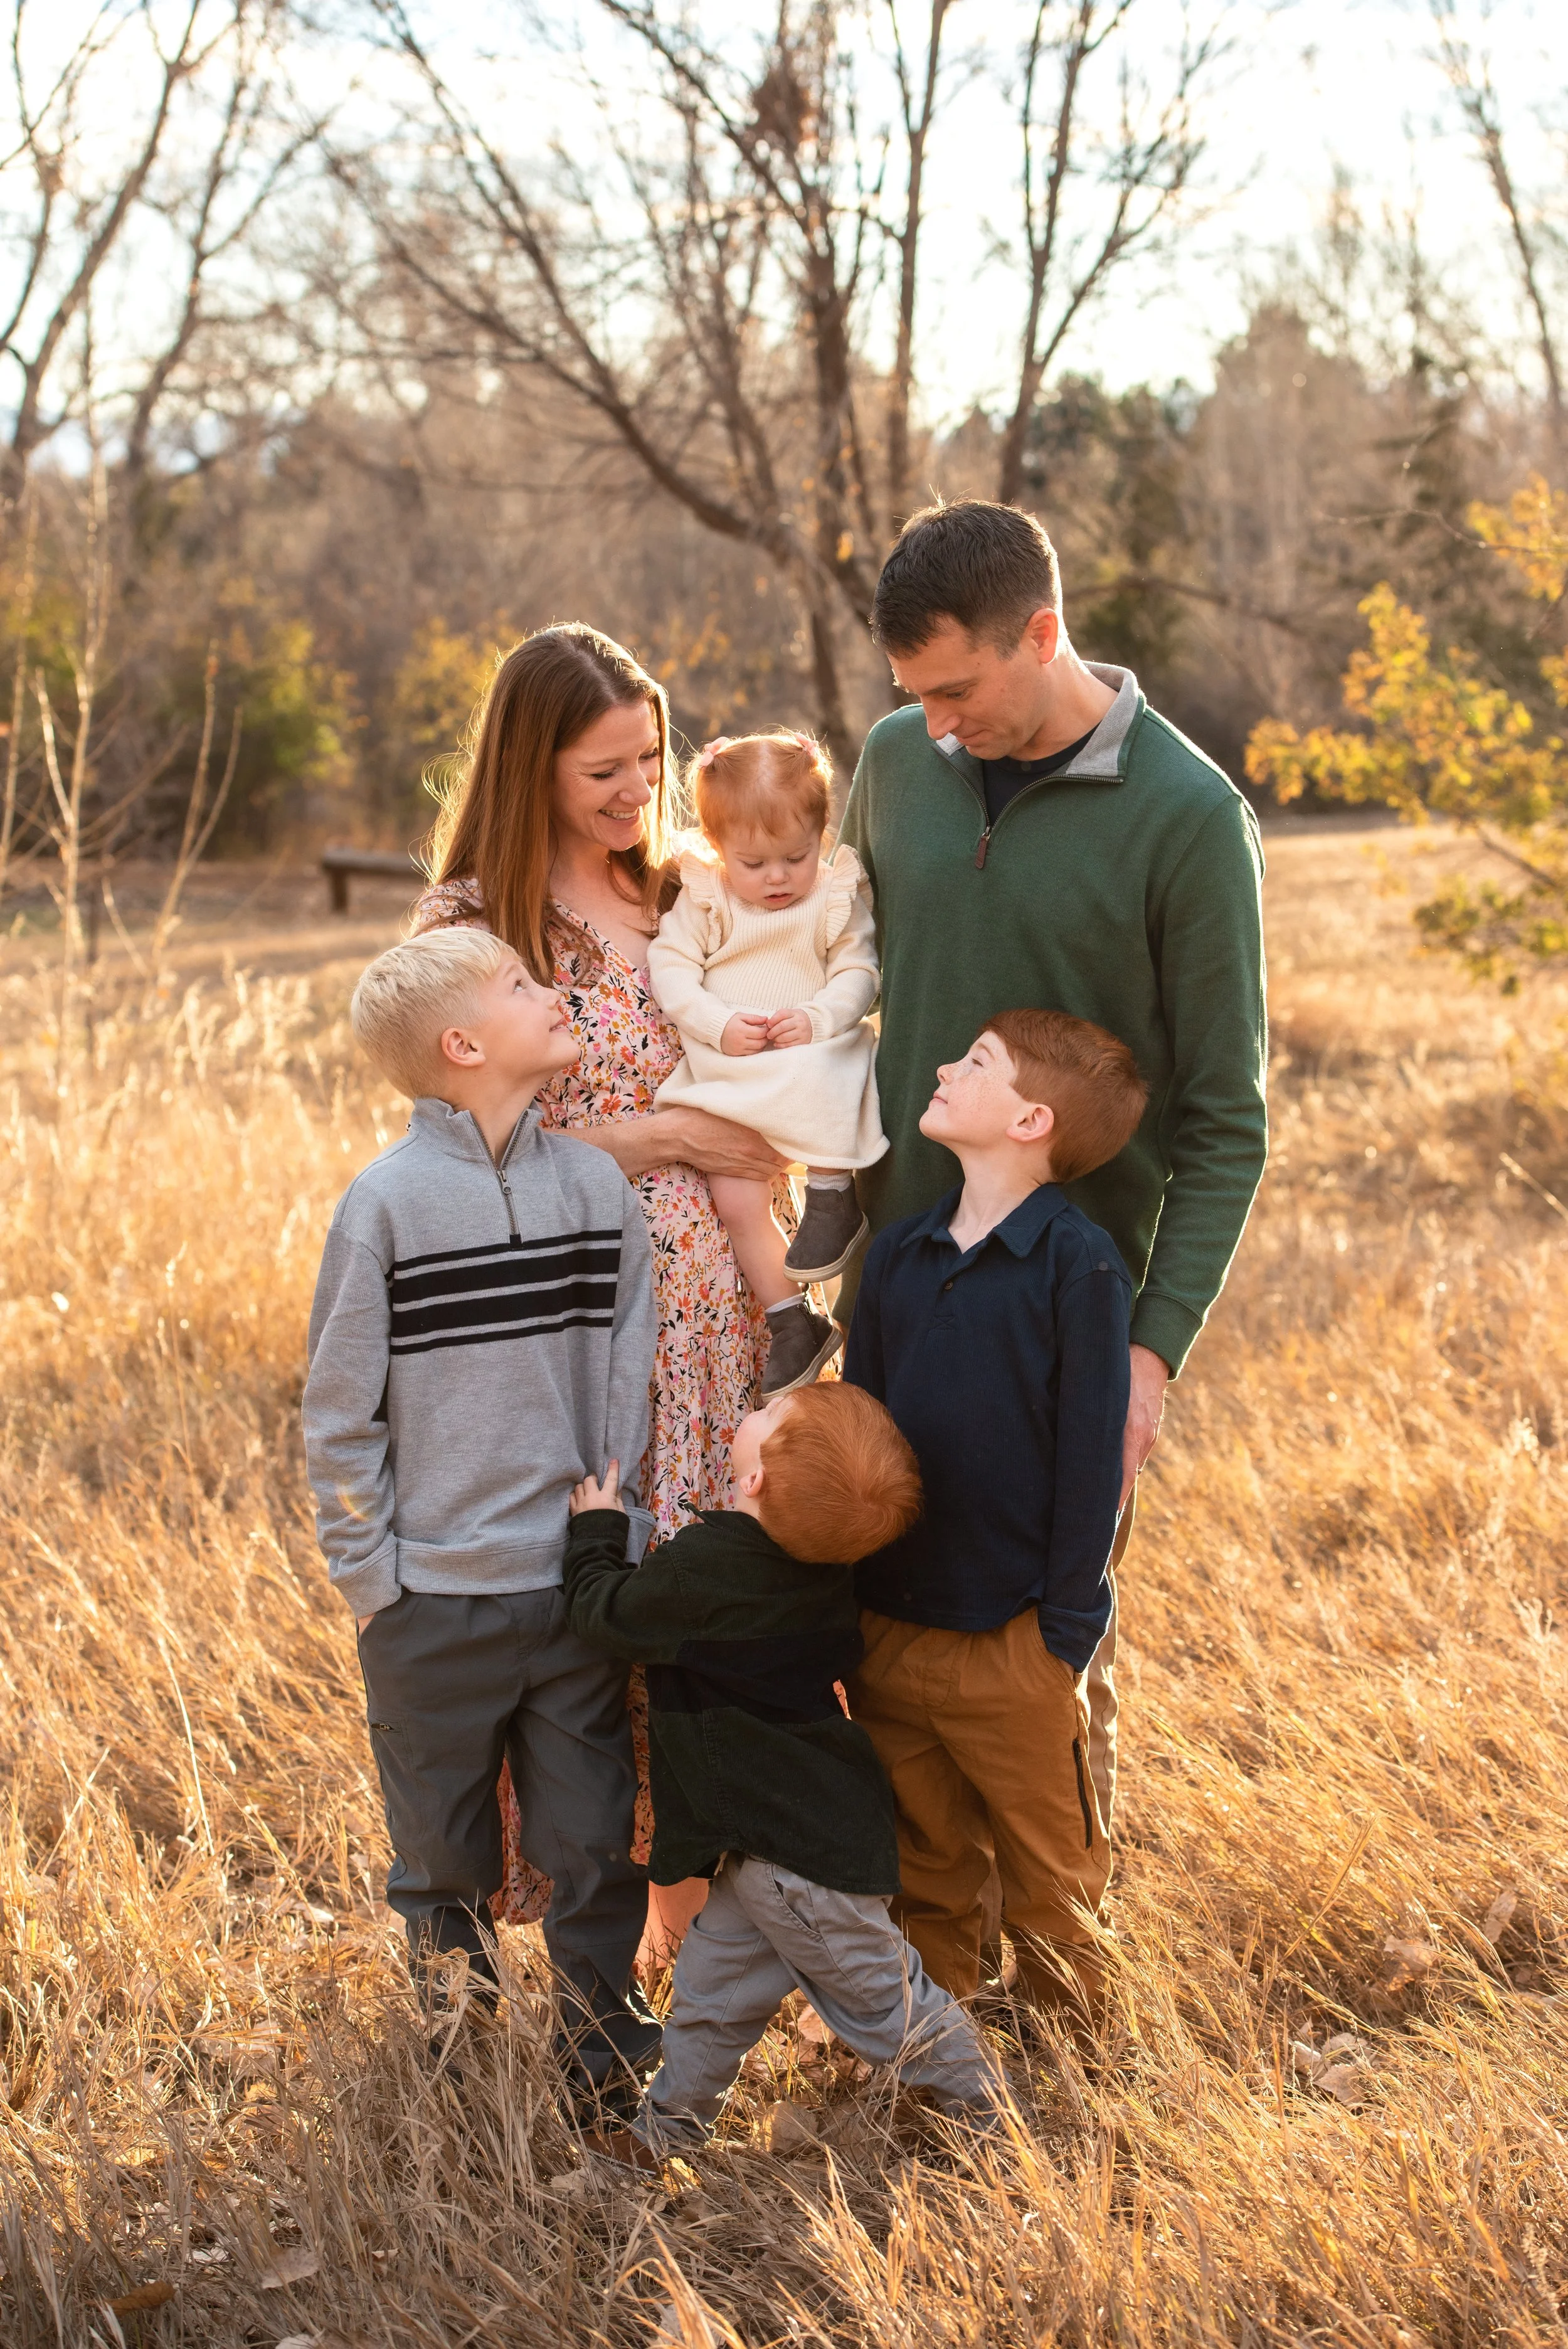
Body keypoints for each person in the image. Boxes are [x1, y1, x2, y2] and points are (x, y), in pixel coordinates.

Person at [840, 497, 1269, 1832]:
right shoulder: (894, 759)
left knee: (1036, 1666)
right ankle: (926, 1978)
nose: (940, 726)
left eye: (959, 690)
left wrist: (1149, 1351)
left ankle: (1066, 1981)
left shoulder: (1190, 817)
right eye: (916, 696)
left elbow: (1222, 1116)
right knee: (886, 1645)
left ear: (1043, 631)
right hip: (894, 1292)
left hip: (1059, 1324)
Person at [410, 623, 818, 1957]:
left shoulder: (684, 890)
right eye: (602, 769)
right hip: (582, 1323)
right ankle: (606, 1933)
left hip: (723, 1316)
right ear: (529, 763)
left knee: (712, 1611)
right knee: (604, 1605)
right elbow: (460, 1151)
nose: (636, 787)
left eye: (650, 755)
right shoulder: (472, 927)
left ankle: (709, 1930)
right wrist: (666, 1140)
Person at [302, 926, 662, 2102]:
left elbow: (626, 1366)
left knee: (593, 1845)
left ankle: (606, 2070)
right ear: (464, 1045)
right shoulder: (386, 1208)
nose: (551, 992)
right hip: (429, 1608)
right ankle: (460, 2086)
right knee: (440, 1867)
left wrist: (619, 1533)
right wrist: (374, 1583)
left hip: (572, 1593)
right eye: (520, 986)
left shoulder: (593, 1188)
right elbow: (339, 1413)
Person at [559, 1382, 1005, 2163]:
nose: (755, 1409)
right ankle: (661, 2140)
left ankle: (995, 2119)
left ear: (755, 1477)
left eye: (769, 1417)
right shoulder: (823, 1568)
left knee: (884, 2005)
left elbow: (606, 1616)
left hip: (795, 1860)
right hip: (768, 1844)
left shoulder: (709, 1568)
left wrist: (595, 1533)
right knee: (710, 2000)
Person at [844, 1009, 1147, 2020]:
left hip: (1014, 1638)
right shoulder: (896, 1257)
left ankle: (1073, 2063)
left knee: (1051, 1868)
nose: (942, 1064)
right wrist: (855, 1612)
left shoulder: (1078, 1264)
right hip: (892, 1630)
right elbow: (865, 1439)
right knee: (924, 1864)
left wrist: (1063, 1630)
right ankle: (942, 2059)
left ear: (1030, 1119)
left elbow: (1090, 1464)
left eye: (973, 1061)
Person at [647, 728, 886, 1398]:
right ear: (718, 850)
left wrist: (817, 1017)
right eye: (753, 864)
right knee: (734, 1196)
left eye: (795, 856)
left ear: (821, 832)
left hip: (807, 1049)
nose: (777, 878)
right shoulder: (705, 898)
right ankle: (792, 1322)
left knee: (832, 1073)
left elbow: (860, 972)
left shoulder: (833, 894)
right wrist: (718, 1025)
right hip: (735, 1070)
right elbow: (671, 972)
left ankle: (833, 1195)